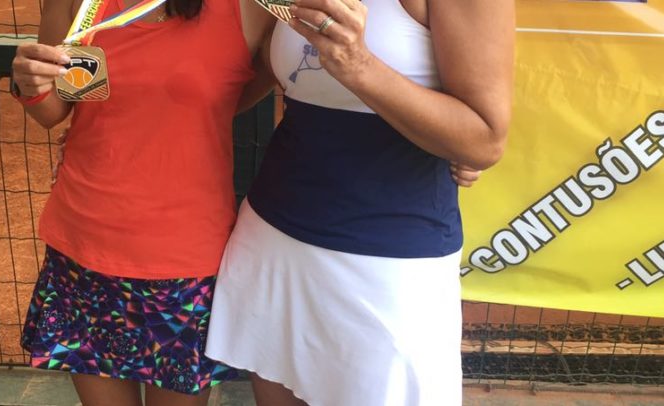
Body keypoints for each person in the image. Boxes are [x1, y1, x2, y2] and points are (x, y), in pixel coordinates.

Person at [205, 0, 514, 405]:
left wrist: (358, 64)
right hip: (271, 240)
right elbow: (252, 76)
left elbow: (485, 139)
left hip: (387, 264)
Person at [9, 0, 277, 405]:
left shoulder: (249, 9)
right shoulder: (79, 4)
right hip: (83, 248)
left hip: (185, 262)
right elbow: (56, 108)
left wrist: (200, 106)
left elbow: (257, 82)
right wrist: (28, 84)